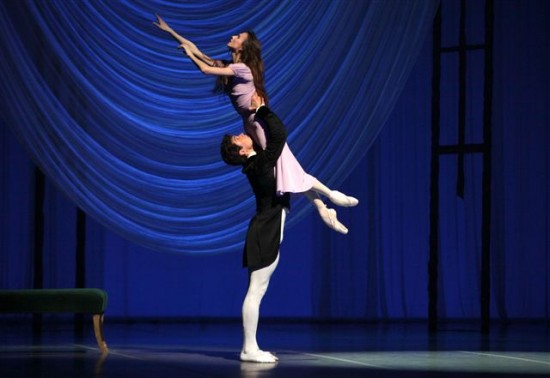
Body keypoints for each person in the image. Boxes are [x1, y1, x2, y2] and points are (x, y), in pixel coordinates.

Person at [154, 15, 358, 234]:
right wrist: (170, 31)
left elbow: (204, 68)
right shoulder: (231, 66)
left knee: (287, 168)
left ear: (244, 47)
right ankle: (325, 207)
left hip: (260, 124)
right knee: (287, 169)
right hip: (251, 124)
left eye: (238, 36)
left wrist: (191, 56)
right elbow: (196, 50)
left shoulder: (242, 69)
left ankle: (330, 198)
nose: (233, 36)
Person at [220, 93, 287, 363]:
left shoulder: (254, 161)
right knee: (256, 290)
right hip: (263, 232)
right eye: (239, 137)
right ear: (241, 150)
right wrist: (262, 111)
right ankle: (249, 348)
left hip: (266, 230)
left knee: (258, 290)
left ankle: (250, 347)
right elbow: (279, 137)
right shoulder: (257, 165)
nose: (242, 134)